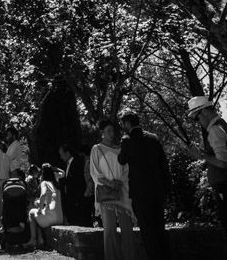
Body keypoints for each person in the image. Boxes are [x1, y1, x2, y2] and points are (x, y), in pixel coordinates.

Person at [181, 97, 227, 260]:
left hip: (226, 189)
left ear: (205, 111)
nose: (198, 121)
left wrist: (201, 155)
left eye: (198, 117)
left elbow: (222, 162)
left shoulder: (214, 130)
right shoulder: (224, 127)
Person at [118, 111, 169, 260]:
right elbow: (163, 164)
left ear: (127, 123)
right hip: (157, 191)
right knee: (160, 228)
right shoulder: (153, 138)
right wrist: (166, 188)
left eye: (122, 124)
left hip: (140, 193)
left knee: (148, 231)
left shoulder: (127, 140)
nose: (122, 127)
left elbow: (121, 160)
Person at [88, 120, 134, 260]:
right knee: (109, 230)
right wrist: (109, 183)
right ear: (101, 132)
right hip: (106, 192)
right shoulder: (96, 148)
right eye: (108, 131)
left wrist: (119, 183)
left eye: (113, 131)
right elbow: (94, 172)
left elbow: (126, 169)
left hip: (121, 191)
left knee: (127, 229)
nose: (112, 133)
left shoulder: (120, 148)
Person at [29, 162, 64, 250]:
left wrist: (40, 209)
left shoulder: (44, 183)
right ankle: (40, 239)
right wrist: (53, 167)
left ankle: (33, 239)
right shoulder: (56, 179)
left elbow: (43, 194)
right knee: (39, 213)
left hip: (50, 218)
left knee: (31, 213)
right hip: (59, 218)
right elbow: (63, 173)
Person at [58, 142, 91, 227]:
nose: (61, 157)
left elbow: (80, 182)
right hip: (70, 201)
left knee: (81, 223)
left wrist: (78, 199)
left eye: (62, 154)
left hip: (78, 201)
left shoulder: (78, 163)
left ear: (68, 153)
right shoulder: (65, 166)